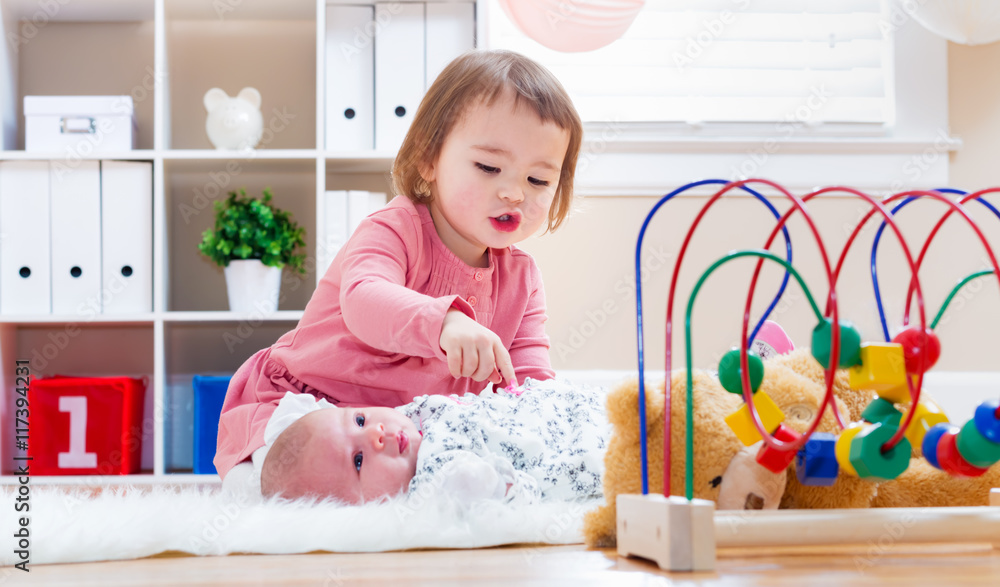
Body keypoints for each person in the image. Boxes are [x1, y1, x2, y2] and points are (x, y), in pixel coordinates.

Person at [214, 49, 584, 485]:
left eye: (538, 180)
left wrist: (545, 430)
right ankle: (251, 492)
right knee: (287, 475)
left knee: (463, 473)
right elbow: (364, 299)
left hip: (401, 436)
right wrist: (444, 323)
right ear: (429, 159)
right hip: (314, 406)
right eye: (489, 167)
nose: (515, 193)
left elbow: (528, 382)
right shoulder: (397, 227)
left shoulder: (522, 278)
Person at [257, 378, 609, 504]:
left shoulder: (413, 415)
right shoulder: (435, 480)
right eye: (359, 461)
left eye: (361, 419)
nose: (375, 434)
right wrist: (483, 486)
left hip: (562, 404)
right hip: (582, 446)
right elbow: (517, 494)